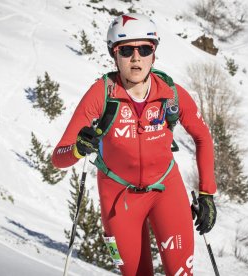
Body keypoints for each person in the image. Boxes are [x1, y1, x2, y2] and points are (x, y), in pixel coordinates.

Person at [52, 13, 217, 275]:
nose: (136, 57)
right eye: (126, 50)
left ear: (154, 54)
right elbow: (58, 157)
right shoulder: (102, 94)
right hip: (119, 198)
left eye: (144, 49)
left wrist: (207, 194)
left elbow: (203, 137)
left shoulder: (171, 93)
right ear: (114, 55)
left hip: (166, 190)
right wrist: (78, 148)